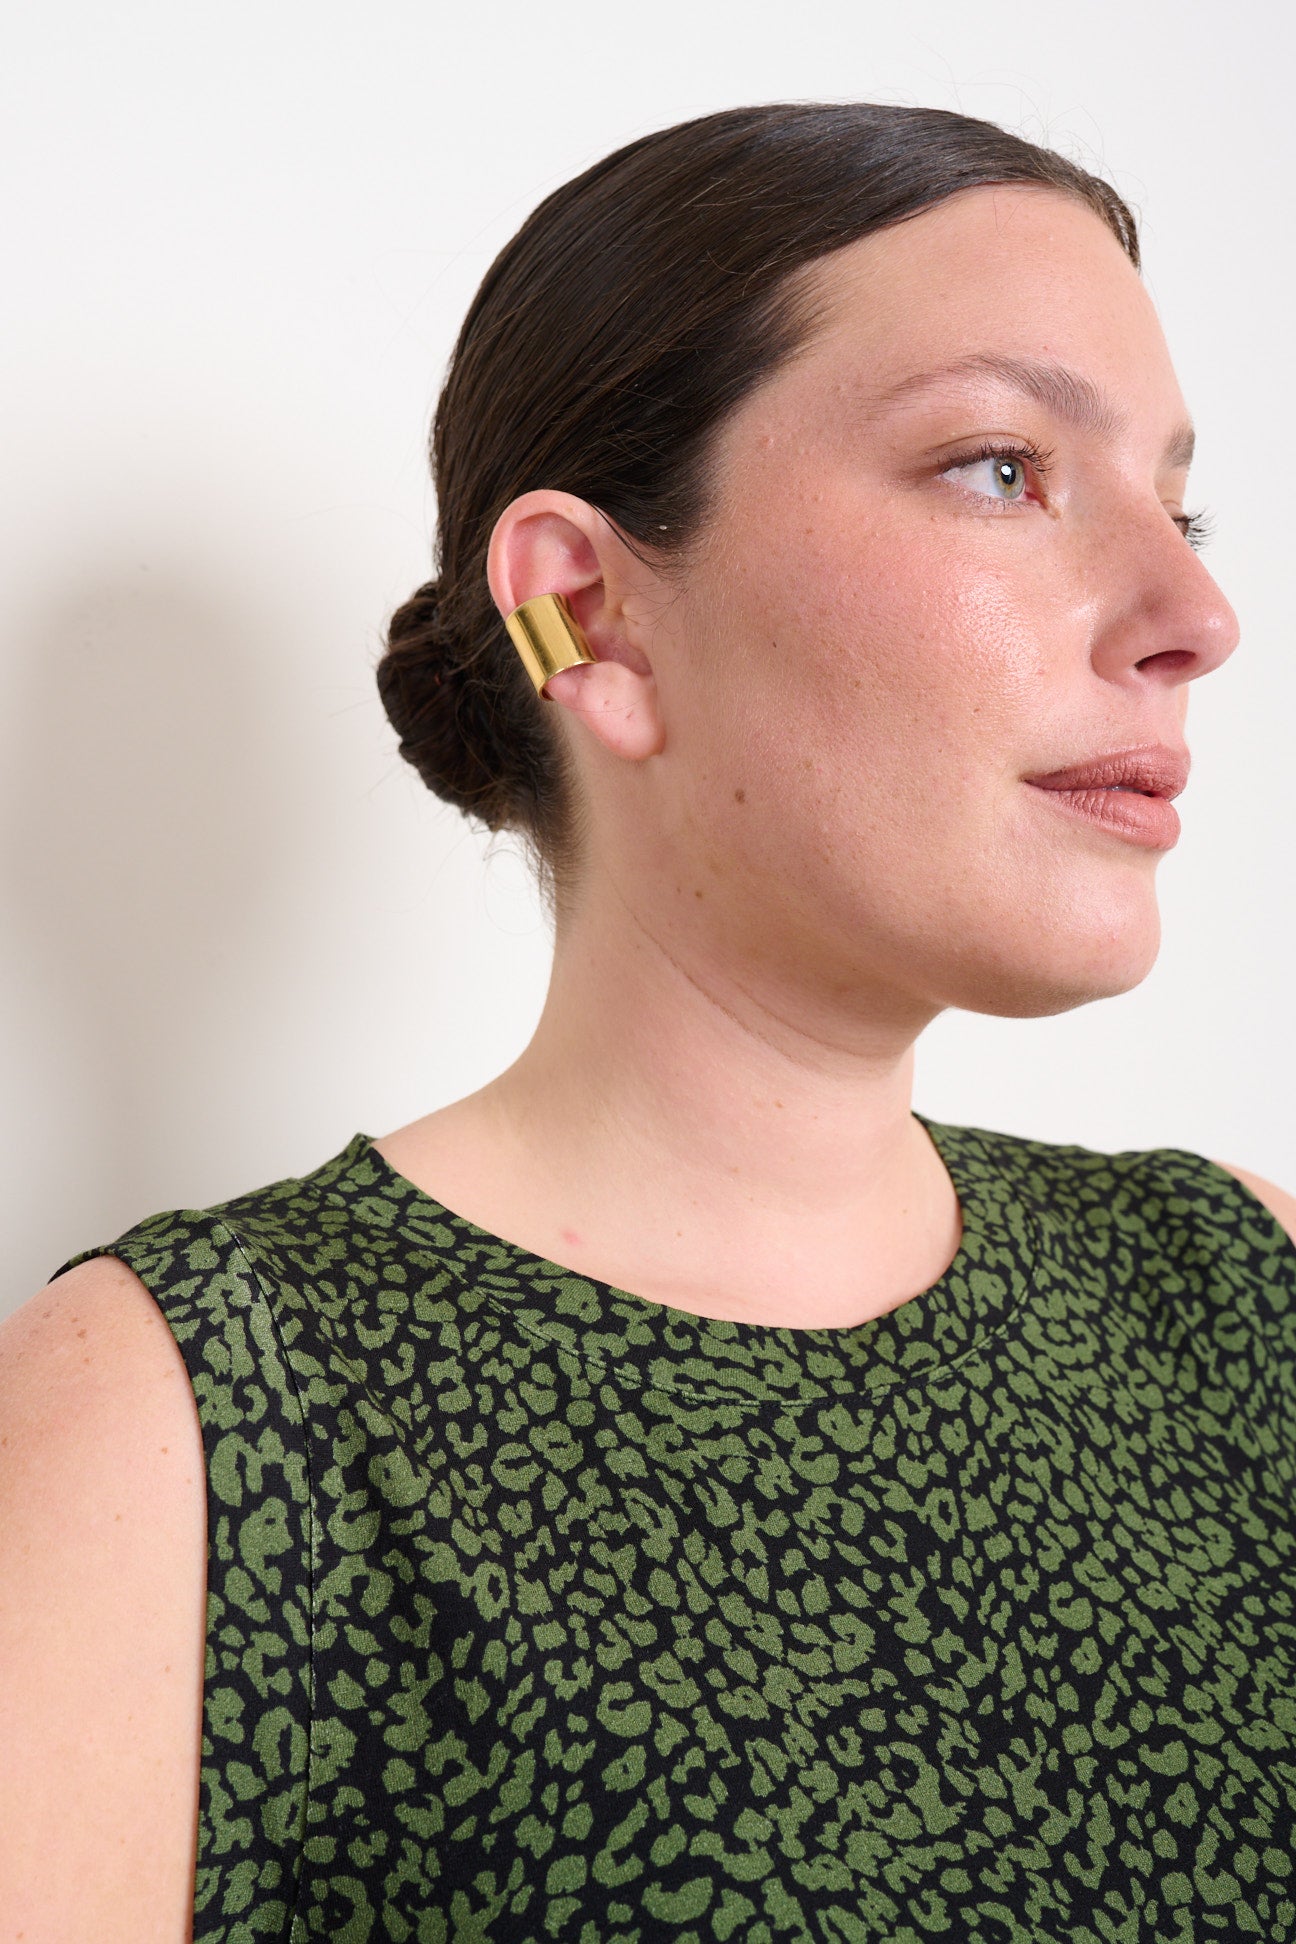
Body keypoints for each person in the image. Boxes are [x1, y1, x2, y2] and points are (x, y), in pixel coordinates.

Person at [2, 99, 1293, 1943]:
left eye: (1182, 503)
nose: (1197, 613)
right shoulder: (183, 1428)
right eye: (1003, 466)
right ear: (590, 616)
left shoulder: (1243, 1299)